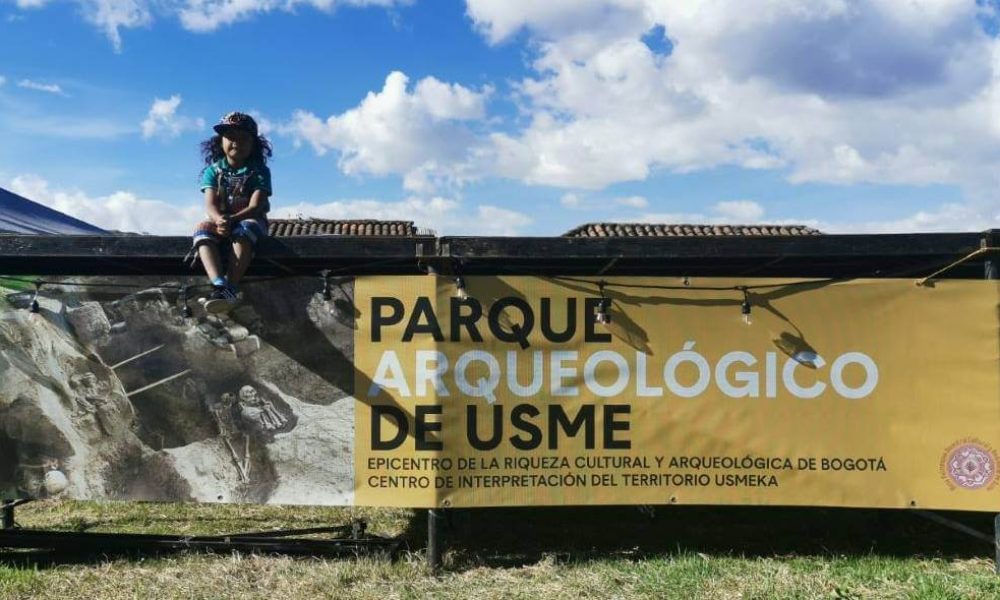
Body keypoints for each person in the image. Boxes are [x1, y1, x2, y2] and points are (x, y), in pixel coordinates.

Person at [192, 112, 273, 311]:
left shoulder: (259, 171)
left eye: (243, 138)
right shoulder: (213, 171)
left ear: (253, 144)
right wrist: (219, 221)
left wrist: (232, 220)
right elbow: (210, 204)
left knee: (245, 230)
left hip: (250, 220)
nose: (236, 142)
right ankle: (218, 284)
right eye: (231, 137)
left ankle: (231, 287)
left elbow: (255, 206)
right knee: (201, 228)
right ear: (220, 141)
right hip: (222, 220)